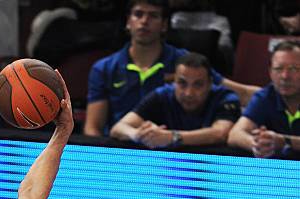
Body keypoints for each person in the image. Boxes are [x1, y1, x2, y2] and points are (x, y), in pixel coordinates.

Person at [84, 0, 257, 137]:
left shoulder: (184, 63)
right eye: (138, 14)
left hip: (172, 148)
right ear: (128, 22)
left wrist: (278, 96)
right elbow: (93, 128)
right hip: (123, 147)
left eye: (153, 16)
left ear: (164, 25)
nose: (144, 21)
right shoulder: (104, 68)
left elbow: (241, 93)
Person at [111, 52, 240, 148]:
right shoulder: (161, 95)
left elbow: (220, 133)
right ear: (174, 82)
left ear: (210, 84)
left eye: (198, 84)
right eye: (182, 83)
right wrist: (138, 134)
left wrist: (172, 137)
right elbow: (118, 128)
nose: (189, 93)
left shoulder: (226, 98)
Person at [228, 40, 300, 158]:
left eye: (294, 69)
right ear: (270, 72)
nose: (285, 76)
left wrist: (284, 141)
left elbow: (281, 141)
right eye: (278, 69)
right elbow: (235, 134)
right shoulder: (266, 96)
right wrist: (257, 144)